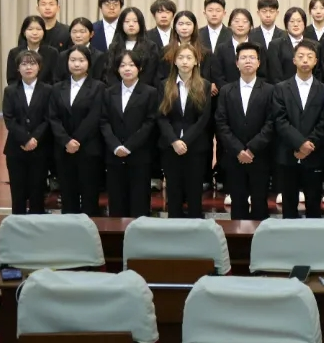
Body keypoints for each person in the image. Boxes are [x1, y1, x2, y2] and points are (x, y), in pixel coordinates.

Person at [215, 42, 276, 220]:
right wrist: (238, 150)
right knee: (237, 204)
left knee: (260, 203)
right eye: (243, 58)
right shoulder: (226, 90)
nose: (247, 61)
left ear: (259, 62)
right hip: (234, 157)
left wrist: (252, 149)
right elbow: (221, 123)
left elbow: (271, 122)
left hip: (260, 156)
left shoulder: (270, 90)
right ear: (237, 63)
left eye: (252, 58)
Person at [272, 39, 324, 219]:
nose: (305, 60)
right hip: (288, 154)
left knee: (314, 204)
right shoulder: (280, 88)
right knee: (289, 205)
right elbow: (280, 120)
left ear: (315, 61)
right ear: (294, 60)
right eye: (301, 56)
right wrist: (299, 144)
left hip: (314, 154)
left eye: (310, 57)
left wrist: (309, 144)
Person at [100, 50, 158, 217]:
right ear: (117, 69)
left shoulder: (150, 92)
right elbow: (103, 121)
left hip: (139, 155)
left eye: (131, 65)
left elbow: (150, 123)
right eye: (123, 65)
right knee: (116, 205)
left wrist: (129, 146)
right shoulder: (109, 92)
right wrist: (115, 146)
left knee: (139, 205)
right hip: (114, 156)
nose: (127, 69)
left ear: (139, 68)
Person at [49, 46, 106, 215]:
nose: (77, 64)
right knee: (68, 196)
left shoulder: (98, 87)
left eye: (81, 60)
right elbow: (53, 117)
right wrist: (66, 141)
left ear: (89, 63)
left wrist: (76, 141)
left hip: (88, 148)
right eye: (72, 60)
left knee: (90, 196)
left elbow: (94, 117)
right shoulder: (57, 88)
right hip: (64, 149)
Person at [157, 45, 213, 218]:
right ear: (174, 61)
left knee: (194, 192)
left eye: (189, 57)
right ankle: (174, 228)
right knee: (173, 192)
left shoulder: (204, 85)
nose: (185, 61)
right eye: (181, 57)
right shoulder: (165, 85)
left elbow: (203, 118)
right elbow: (161, 117)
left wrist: (185, 141)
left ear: (196, 61)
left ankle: (195, 228)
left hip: (195, 146)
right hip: (170, 147)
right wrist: (174, 141)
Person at [2, 50, 52, 214]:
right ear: (18, 68)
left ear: (39, 67)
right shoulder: (10, 90)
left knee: (38, 191)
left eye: (32, 63)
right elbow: (9, 119)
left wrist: (35, 138)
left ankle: (37, 225)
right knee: (18, 192)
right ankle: (17, 223)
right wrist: (25, 139)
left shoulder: (48, 90)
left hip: (40, 147)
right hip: (16, 148)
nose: (28, 67)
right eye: (24, 64)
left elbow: (48, 118)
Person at [106, 7, 160, 88]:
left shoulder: (151, 46)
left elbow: (150, 73)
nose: (131, 24)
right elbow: (110, 72)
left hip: (143, 90)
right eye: (127, 21)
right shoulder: (114, 46)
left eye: (135, 21)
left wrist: (134, 89)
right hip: (117, 91)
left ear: (141, 24)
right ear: (121, 24)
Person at [211, 8, 258, 89]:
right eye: (236, 21)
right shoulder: (221, 49)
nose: (240, 25)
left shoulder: (258, 48)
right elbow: (217, 75)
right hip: (227, 92)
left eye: (245, 21)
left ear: (250, 26)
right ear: (230, 25)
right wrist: (230, 91)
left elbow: (263, 75)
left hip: (254, 92)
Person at [6, 15, 59, 86]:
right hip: (20, 92)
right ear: (24, 32)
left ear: (44, 32)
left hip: (46, 92)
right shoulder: (14, 53)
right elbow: (11, 80)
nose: (35, 33)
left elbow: (55, 79)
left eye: (39, 29)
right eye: (30, 29)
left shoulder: (52, 53)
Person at [266, 7, 309, 83]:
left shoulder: (314, 45)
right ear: (286, 24)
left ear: (304, 23)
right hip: (282, 88)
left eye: (299, 21)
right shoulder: (275, 45)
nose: (296, 24)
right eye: (292, 21)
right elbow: (274, 75)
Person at [59, 19, 108, 83]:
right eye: (74, 32)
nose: (78, 35)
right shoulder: (63, 55)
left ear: (91, 34)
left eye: (82, 32)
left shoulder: (99, 56)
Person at [199, 0, 231, 64]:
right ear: (204, 13)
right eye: (210, 10)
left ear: (224, 13)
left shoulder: (232, 34)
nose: (214, 14)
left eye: (218, 11)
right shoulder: (197, 34)